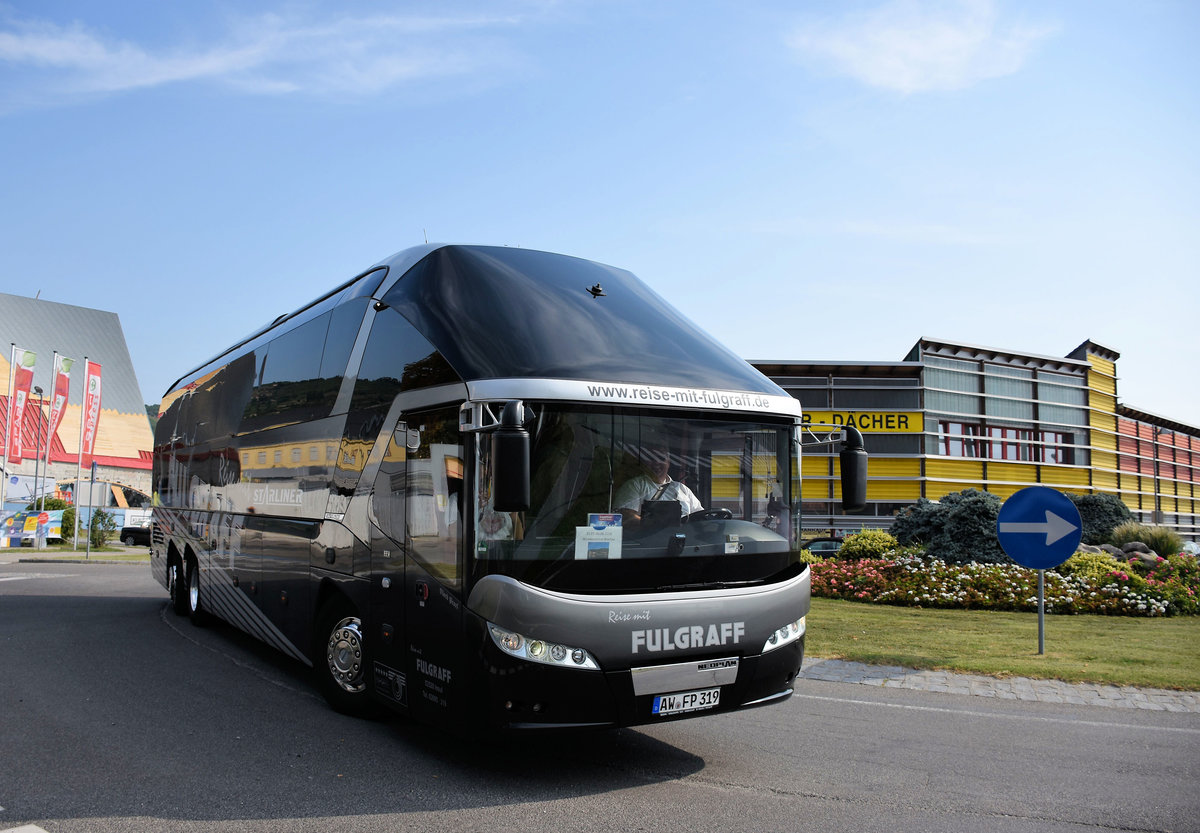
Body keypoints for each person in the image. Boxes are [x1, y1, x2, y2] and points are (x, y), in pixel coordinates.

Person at [613, 444, 703, 522]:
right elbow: (625, 517)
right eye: (651, 458)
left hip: (685, 540)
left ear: (668, 463)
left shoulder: (682, 489)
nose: (656, 463)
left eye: (661, 458)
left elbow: (700, 515)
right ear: (644, 462)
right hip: (648, 540)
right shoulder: (634, 486)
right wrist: (654, 525)